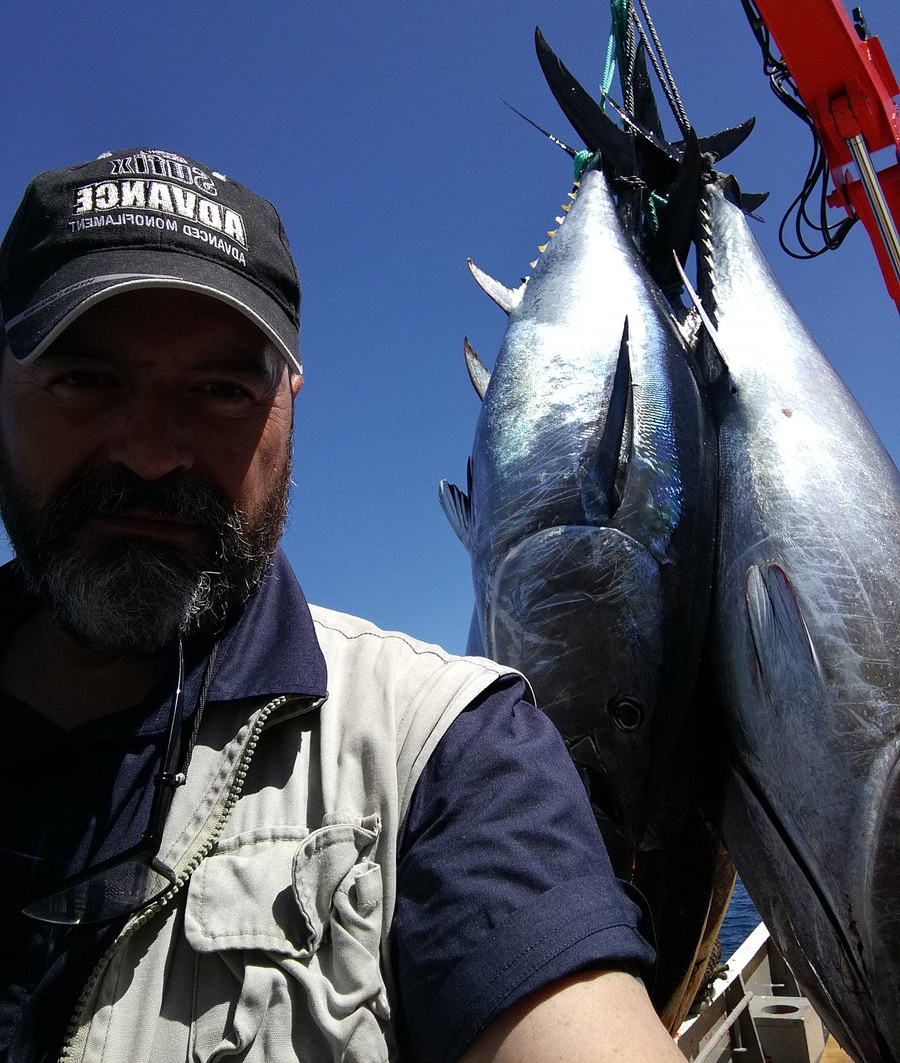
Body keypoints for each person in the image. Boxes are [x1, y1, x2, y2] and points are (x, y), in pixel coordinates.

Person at [0, 148, 684, 1063]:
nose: (154, 452)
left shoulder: (443, 751)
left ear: (290, 401)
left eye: (221, 389)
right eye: (85, 380)